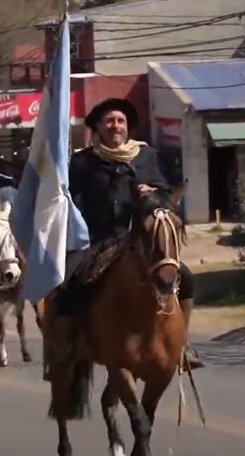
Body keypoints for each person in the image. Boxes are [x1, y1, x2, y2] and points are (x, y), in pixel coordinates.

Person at [43, 97, 202, 380]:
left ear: (127, 128)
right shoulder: (83, 161)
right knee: (67, 281)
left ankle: (182, 344)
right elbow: (71, 200)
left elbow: (166, 195)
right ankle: (66, 344)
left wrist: (150, 192)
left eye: (121, 121)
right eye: (110, 121)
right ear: (99, 128)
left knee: (185, 277)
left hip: (141, 238)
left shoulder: (146, 156)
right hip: (99, 238)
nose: (116, 126)